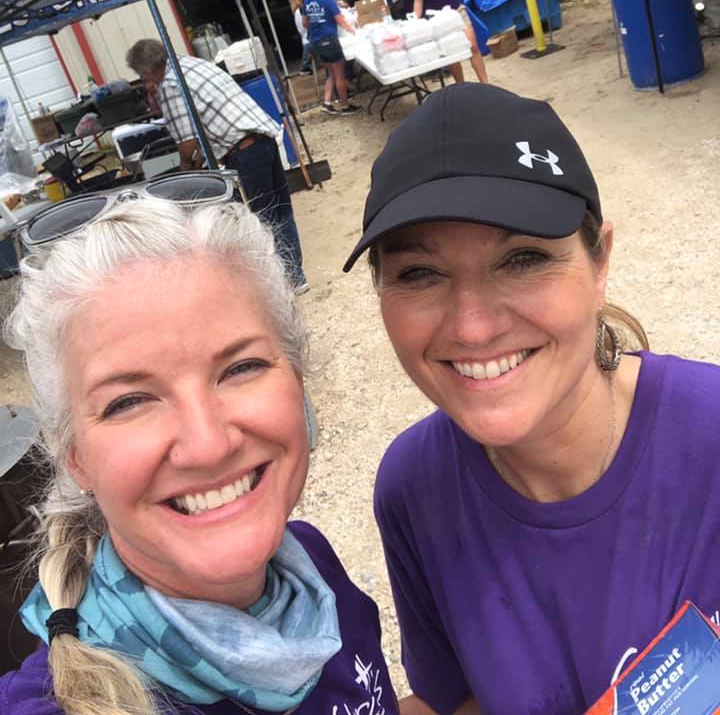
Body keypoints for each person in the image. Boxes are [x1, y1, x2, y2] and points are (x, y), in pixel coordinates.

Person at [343, 82, 720, 715]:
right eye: (420, 273)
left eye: (522, 259)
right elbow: (456, 700)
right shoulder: (414, 489)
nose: (473, 327)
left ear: (600, 264)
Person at [0, 192, 400, 715]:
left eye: (241, 368)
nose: (208, 444)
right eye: (129, 401)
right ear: (74, 456)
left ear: (298, 382)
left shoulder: (310, 563)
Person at [125, 39, 307, 293]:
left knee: (263, 219)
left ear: (146, 71)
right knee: (281, 211)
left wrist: (184, 177)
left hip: (244, 148)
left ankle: (279, 284)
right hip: (263, 136)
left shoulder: (169, 85)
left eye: (143, 76)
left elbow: (187, 146)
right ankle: (295, 275)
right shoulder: (192, 64)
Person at [301, 0, 359, 117]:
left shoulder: (307, 0)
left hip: (316, 41)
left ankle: (327, 103)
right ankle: (345, 106)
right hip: (329, 39)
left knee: (331, 73)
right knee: (340, 75)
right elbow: (340, 19)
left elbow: (305, 23)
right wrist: (352, 30)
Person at [293, 0, 312, 75]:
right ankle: (305, 66)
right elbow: (304, 27)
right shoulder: (300, 9)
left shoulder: (302, 5)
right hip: (309, 39)